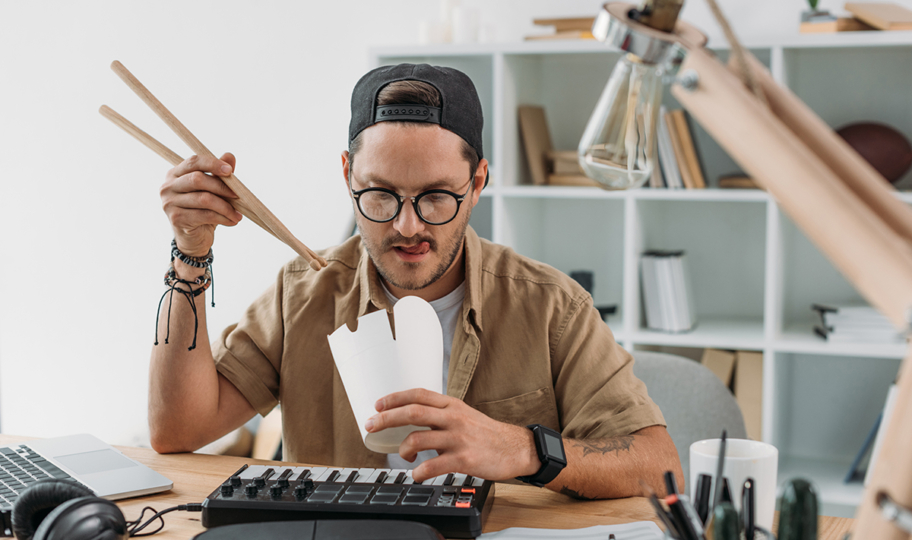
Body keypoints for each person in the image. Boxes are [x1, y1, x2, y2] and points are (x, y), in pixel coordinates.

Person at [149, 63, 682, 499]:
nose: (408, 227)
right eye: (380, 195)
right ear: (346, 176)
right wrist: (191, 252)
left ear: (476, 184)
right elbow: (177, 430)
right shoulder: (303, 293)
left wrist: (522, 449)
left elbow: (659, 468)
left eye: (435, 197)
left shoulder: (550, 307)